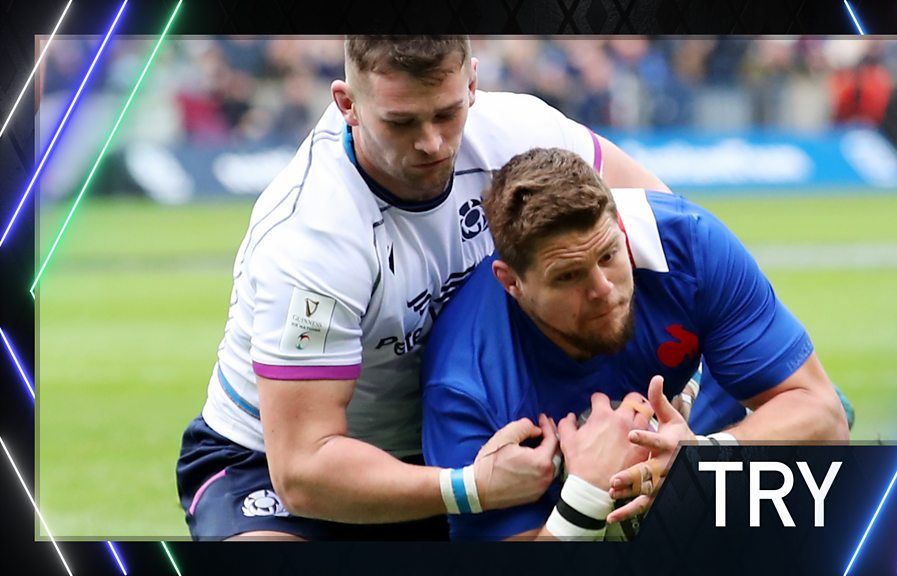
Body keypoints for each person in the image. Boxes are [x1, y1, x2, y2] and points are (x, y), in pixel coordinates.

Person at [175, 36, 670, 541]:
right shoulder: (314, 233)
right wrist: (471, 488)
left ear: (473, 83)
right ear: (348, 104)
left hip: (470, 445)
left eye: (447, 113)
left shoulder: (522, 132)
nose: (432, 142)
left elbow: (668, 228)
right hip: (270, 465)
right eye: (401, 122)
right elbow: (303, 468)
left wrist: (678, 403)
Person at [421, 148, 850, 541]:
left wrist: (700, 458)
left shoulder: (686, 242)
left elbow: (825, 418)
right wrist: (587, 494)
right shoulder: (465, 382)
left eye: (608, 255)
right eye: (568, 276)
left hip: (713, 429)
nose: (603, 289)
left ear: (621, 229)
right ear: (511, 281)